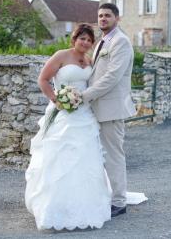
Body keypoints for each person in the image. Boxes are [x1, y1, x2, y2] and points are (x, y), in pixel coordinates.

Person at [25, 24, 112, 230]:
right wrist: (56, 100)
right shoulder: (61, 55)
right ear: (74, 39)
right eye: (82, 38)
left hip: (83, 114)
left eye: (89, 40)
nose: (85, 42)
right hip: (63, 113)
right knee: (60, 157)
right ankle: (54, 206)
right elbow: (43, 80)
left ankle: (86, 204)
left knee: (85, 156)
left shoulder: (89, 60)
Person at [82, 3, 137, 217]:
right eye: (100, 16)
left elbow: (112, 77)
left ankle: (119, 202)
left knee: (114, 156)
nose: (103, 19)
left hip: (112, 108)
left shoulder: (121, 42)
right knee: (100, 155)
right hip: (97, 107)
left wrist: (84, 96)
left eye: (107, 15)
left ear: (117, 18)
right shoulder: (101, 42)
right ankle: (107, 195)